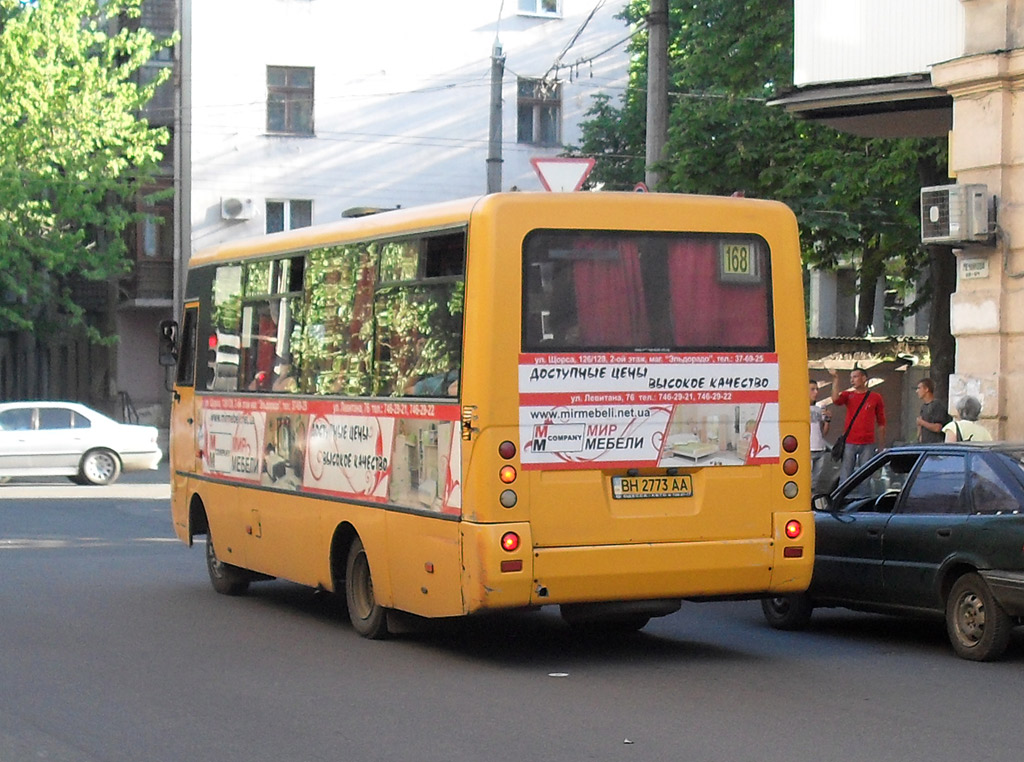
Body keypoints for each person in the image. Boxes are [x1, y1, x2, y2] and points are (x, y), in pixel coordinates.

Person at [830, 366, 886, 483]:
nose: (852, 380)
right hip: (850, 441)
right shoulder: (848, 395)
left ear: (864, 378)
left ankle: (863, 499)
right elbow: (835, 399)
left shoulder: (875, 397)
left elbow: (881, 422)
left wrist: (881, 446)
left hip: (868, 443)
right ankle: (843, 498)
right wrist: (836, 379)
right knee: (846, 475)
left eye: (855, 377)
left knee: (865, 477)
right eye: (851, 377)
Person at [809, 379, 831, 489]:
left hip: (820, 448)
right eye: (812, 389)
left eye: (817, 389)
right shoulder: (800, 408)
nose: (816, 392)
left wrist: (827, 421)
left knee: (815, 483)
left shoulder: (819, 408)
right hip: (808, 450)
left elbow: (823, 433)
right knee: (807, 481)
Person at [915, 377, 951, 443]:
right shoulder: (923, 407)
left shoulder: (937, 406)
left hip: (935, 446)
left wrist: (922, 422)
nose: (917, 391)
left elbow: (938, 428)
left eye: (919, 388)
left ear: (926, 389)